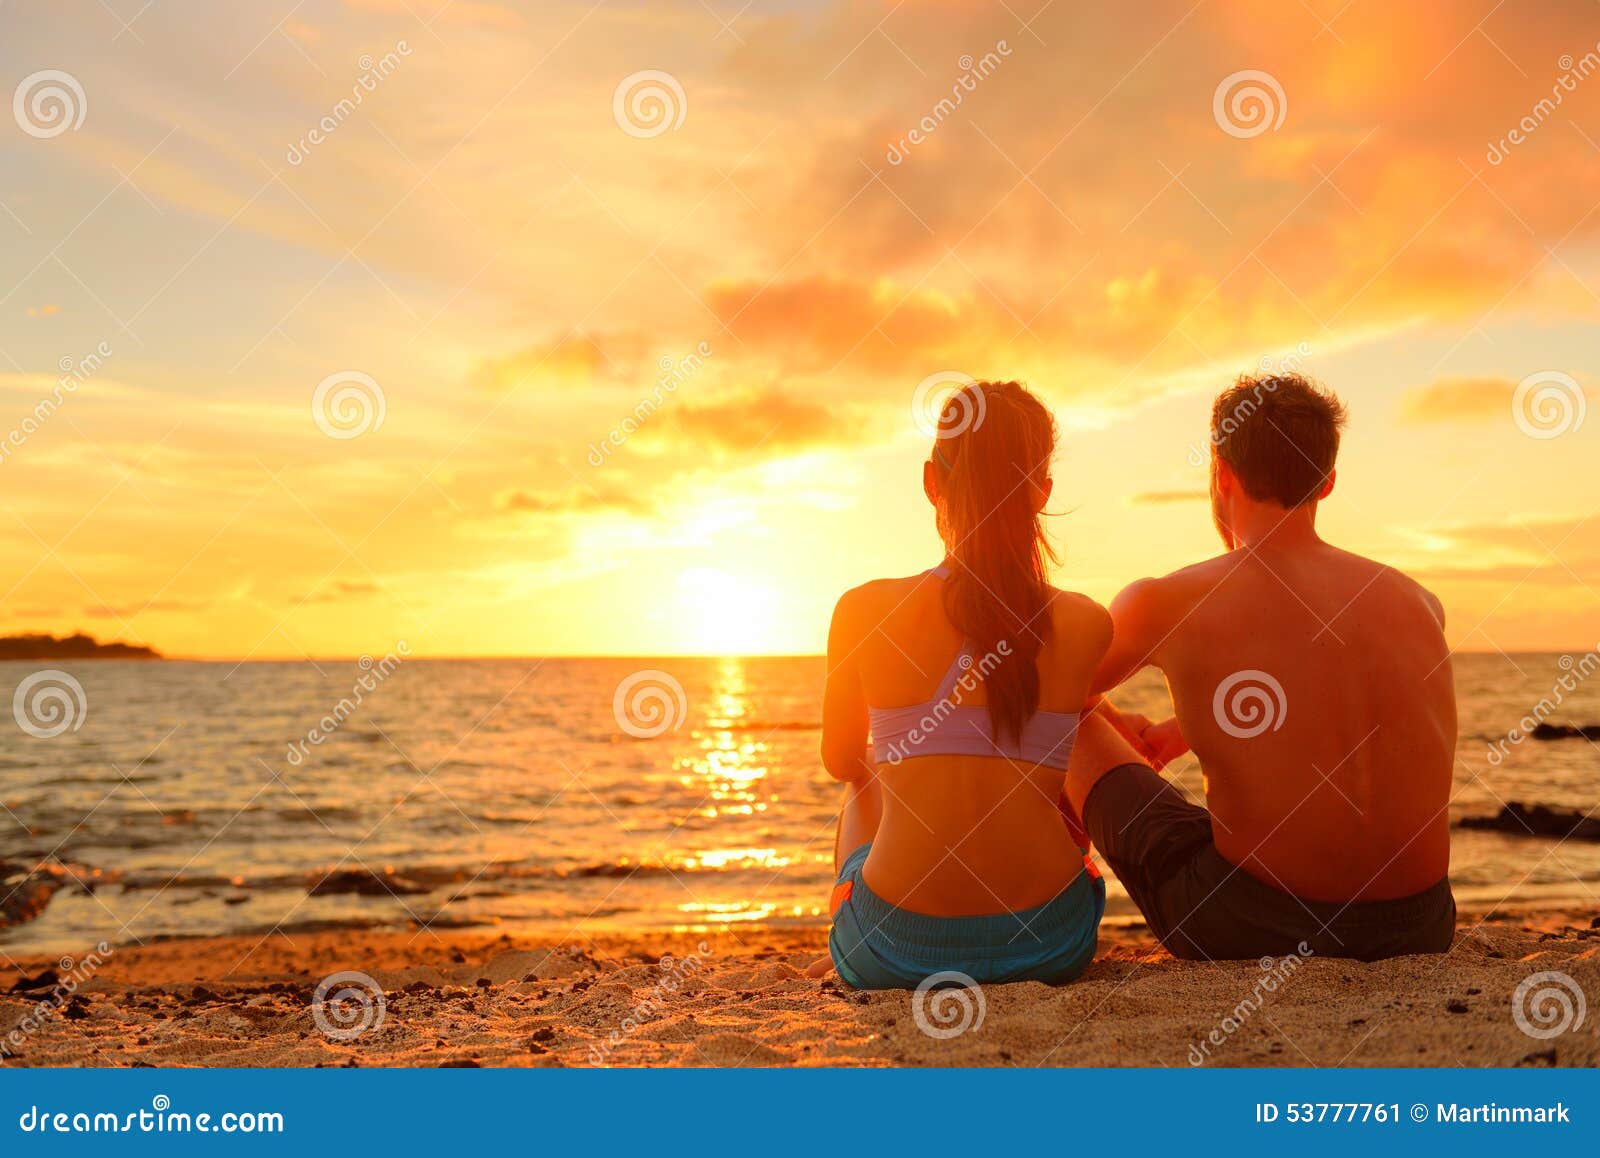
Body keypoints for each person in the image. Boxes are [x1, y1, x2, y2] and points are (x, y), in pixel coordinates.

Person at [1067, 371, 1457, 962]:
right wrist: (1185, 729)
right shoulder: (1419, 603)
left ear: (1222, 473)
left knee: (1063, 721)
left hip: (1252, 924)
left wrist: (1110, 713)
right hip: (1421, 924)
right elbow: (1336, 700)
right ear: (1326, 482)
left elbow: (1042, 694)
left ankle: (1028, 907)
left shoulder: (1167, 601)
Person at [816, 380, 1111, 989]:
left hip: (894, 950)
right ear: (1042, 493)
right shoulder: (1087, 621)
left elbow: (837, 759)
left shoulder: (863, 610)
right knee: (1059, 740)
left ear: (931, 481)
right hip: (1053, 940)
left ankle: (856, 934)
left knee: (862, 774)